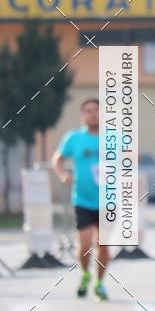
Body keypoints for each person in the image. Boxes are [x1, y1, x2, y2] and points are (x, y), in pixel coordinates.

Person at [51, 97, 109, 300]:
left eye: (96, 110)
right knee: (85, 246)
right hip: (82, 199)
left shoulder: (113, 136)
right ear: (83, 115)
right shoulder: (73, 138)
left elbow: (131, 157)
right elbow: (57, 159)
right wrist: (62, 174)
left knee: (103, 246)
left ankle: (100, 283)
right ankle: (85, 274)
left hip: (107, 201)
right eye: (88, 110)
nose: (93, 113)